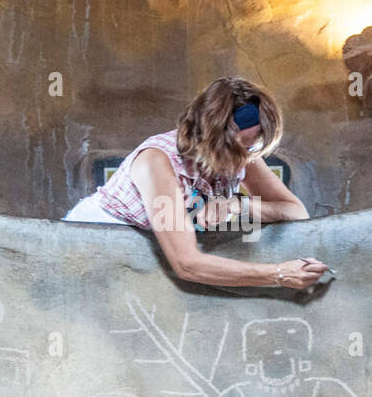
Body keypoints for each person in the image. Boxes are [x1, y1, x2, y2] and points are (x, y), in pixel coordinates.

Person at [63, 77, 329, 289]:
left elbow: (296, 212)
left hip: (146, 253)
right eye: (236, 148)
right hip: (88, 248)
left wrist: (238, 205)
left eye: (253, 147)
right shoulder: (156, 162)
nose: (243, 161)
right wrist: (280, 274)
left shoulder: (244, 154)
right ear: (208, 136)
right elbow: (187, 264)